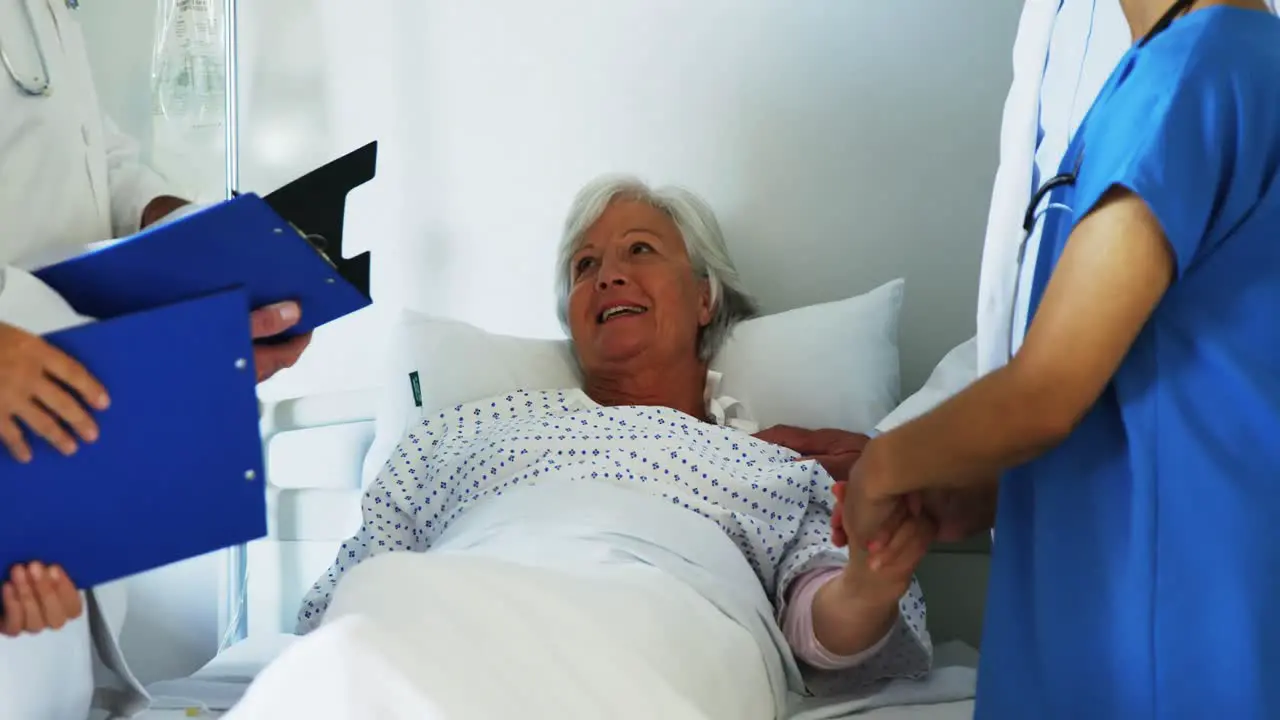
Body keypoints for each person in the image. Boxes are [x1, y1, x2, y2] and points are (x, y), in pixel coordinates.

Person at [226, 176, 936, 719]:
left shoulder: (773, 464)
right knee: (384, 603)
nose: (607, 274)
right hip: (448, 600)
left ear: (704, 299)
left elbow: (823, 631)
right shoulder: (458, 431)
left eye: (640, 251)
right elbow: (337, 601)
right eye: (585, 265)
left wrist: (867, 585)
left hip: (664, 616)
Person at [839, 1, 1280, 717]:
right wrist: (996, 492)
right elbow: (1166, 387)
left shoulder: (1190, 76)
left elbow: (1047, 390)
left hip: (1155, 640)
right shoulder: (1214, 67)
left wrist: (883, 466)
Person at [1, 0, 312, 716]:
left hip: (55, 428)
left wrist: (196, 240)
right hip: (21, 401)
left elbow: (101, 162)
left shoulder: (53, 14)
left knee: (47, 675)